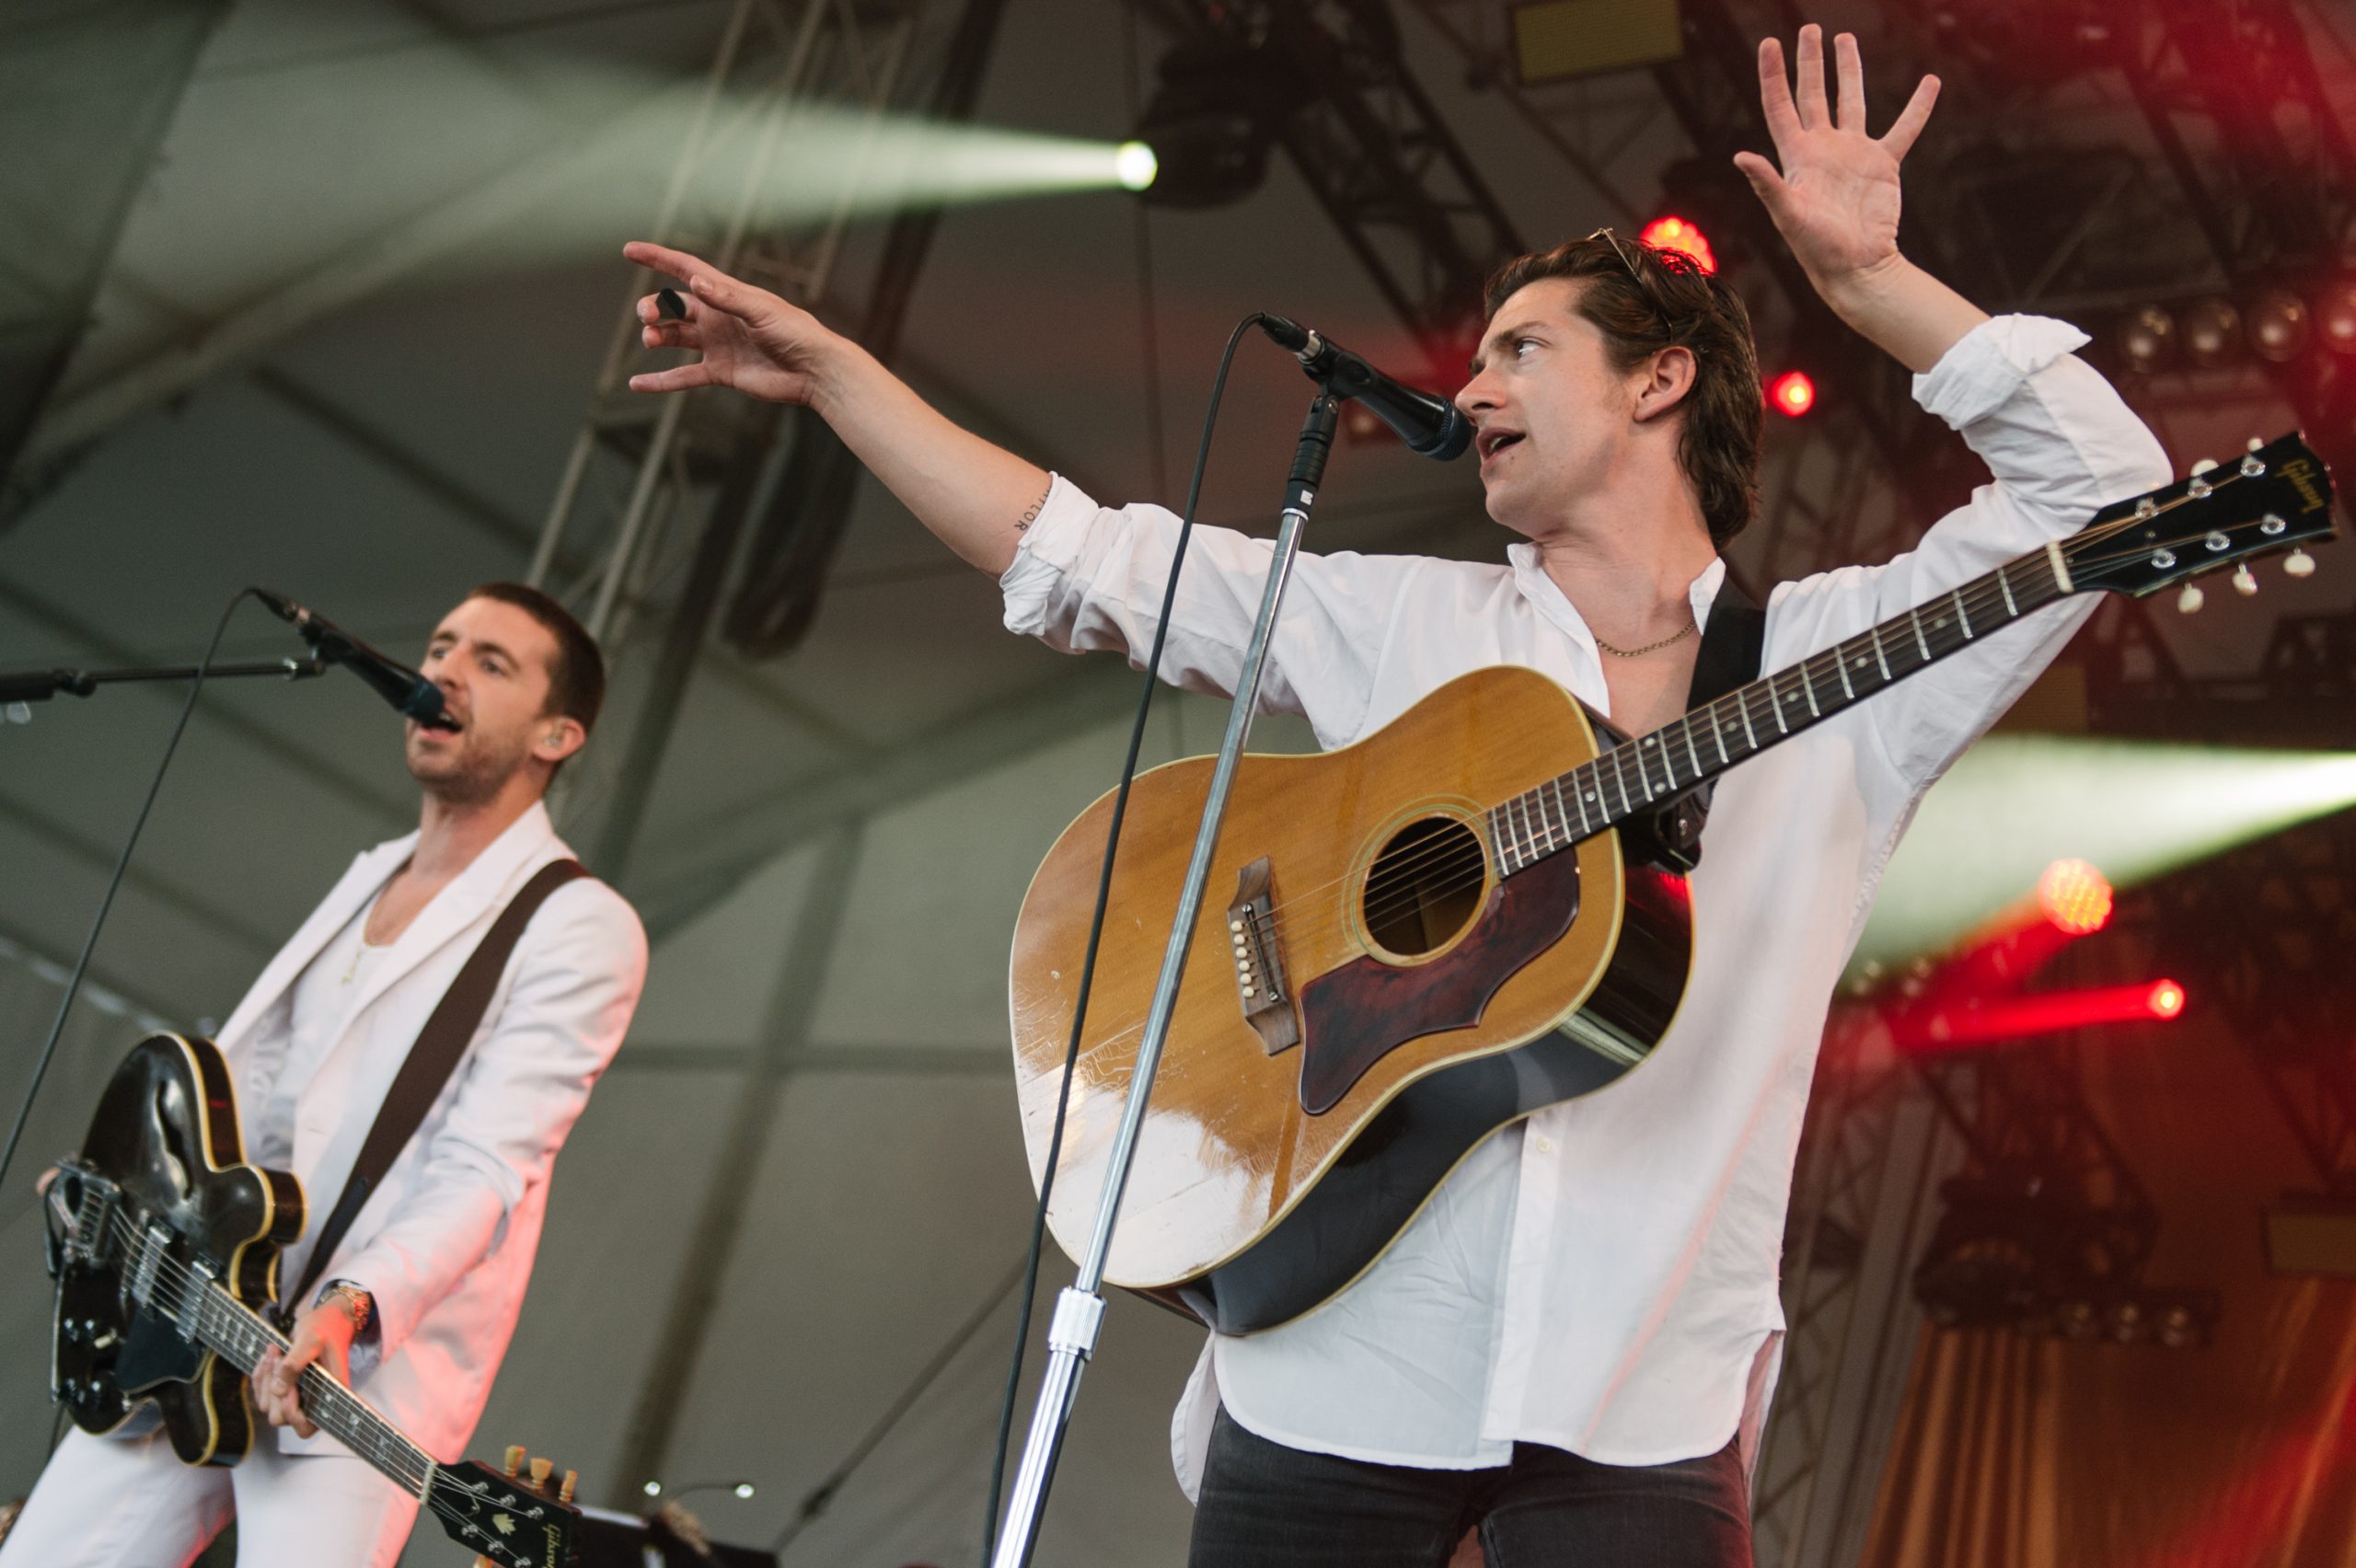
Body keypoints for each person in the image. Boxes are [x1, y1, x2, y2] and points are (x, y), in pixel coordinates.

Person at [619, 24, 2166, 1567]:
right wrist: (836, 379)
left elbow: (2109, 496)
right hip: (1334, 1365)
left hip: (1639, 1397)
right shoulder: (1402, 620)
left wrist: (1873, 285)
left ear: (1662, 379)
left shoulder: (1844, 664)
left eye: (1522, 350)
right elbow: (1078, 556)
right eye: (1478, 356)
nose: (1471, 383)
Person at [6, 584, 649, 1568]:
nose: (442, 671)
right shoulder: (371, 870)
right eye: (441, 646)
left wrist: (349, 1306)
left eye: (490, 662)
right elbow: (244, 1087)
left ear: (556, 735)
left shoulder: (580, 923)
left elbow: (486, 1168)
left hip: (354, 1376)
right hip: (194, 1318)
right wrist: (123, 1194)